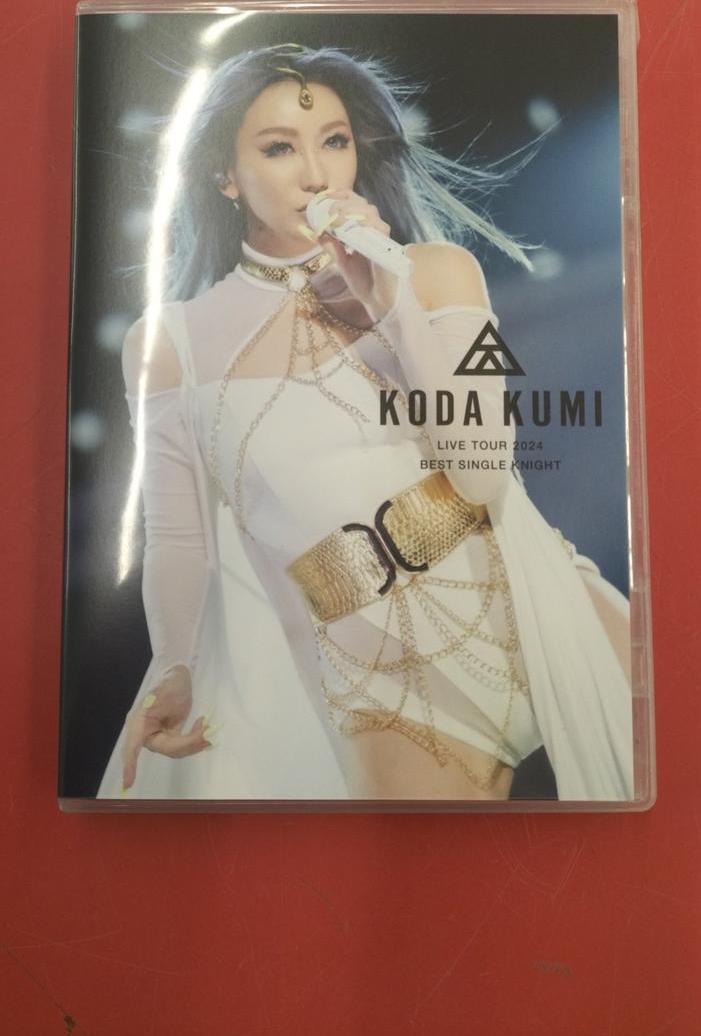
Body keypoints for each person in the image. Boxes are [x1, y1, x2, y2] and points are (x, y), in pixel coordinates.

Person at [99, 43, 633, 802]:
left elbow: (482, 474)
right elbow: (179, 539)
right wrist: (175, 664)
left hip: (539, 605)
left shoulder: (440, 273)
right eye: (279, 148)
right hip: (382, 684)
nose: (316, 173)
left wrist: (393, 304)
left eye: (335, 141)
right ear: (224, 175)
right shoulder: (170, 345)